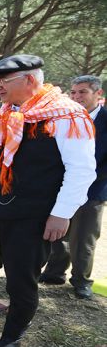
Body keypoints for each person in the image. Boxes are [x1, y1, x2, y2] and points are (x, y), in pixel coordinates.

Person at [0, 55, 96, 347]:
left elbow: (82, 170)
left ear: (30, 80)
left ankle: (12, 337)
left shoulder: (67, 115)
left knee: (21, 278)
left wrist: (62, 213)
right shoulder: (6, 114)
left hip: (32, 213)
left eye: (4, 81)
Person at [40, 75, 107, 299]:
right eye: (74, 92)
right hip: (60, 187)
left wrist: (84, 177)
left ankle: (81, 281)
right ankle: (54, 273)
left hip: (93, 191)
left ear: (99, 94)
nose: (77, 97)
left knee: (83, 239)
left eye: (83, 92)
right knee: (57, 233)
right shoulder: (64, 118)